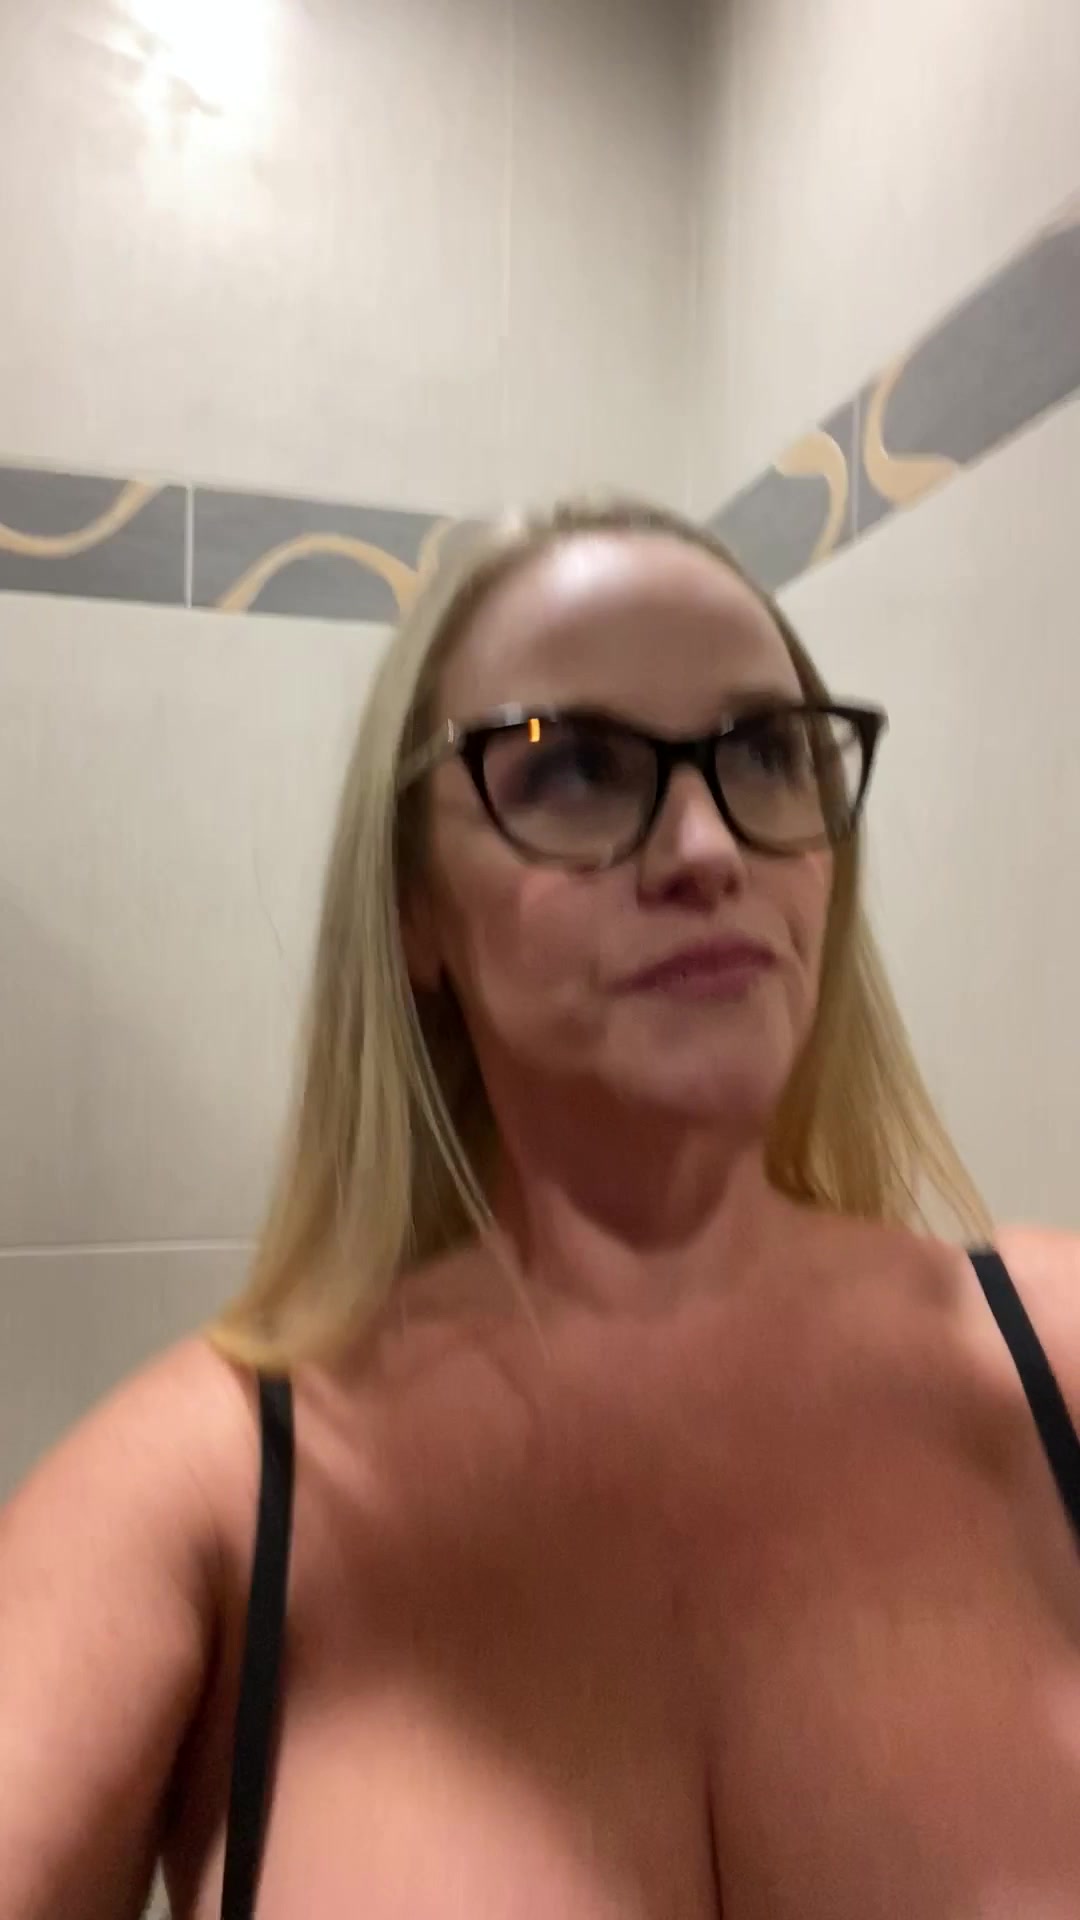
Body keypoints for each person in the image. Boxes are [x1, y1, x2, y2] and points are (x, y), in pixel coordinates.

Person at [1, 497, 1078, 1920]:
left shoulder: (1052, 1360)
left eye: (767, 754)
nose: (707, 849)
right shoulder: (199, 1496)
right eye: (569, 767)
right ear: (416, 913)